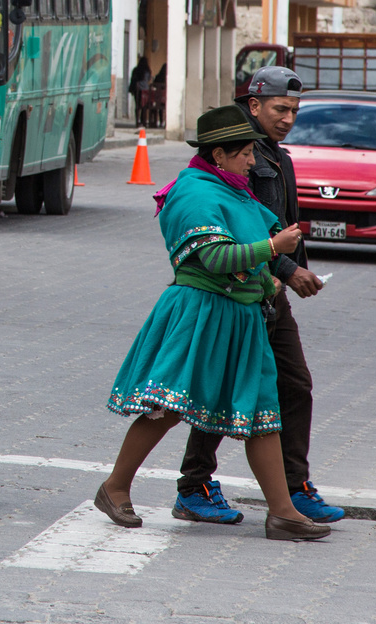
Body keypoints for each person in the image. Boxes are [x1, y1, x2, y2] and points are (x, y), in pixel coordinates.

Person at [99, 104, 331, 541]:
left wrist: (275, 281)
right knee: (167, 407)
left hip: (241, 319)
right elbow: (215, 257)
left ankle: (282, 512)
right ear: (218, 155)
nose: (252, 161)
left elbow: (252, 257)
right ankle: (114, 487)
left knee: (262, 414)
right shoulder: (196, 193)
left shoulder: (234, 190)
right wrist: (271, 247)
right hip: (201, 313)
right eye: (244, 153)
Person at [171, 67, 345, 525]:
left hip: (270, 296)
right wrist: (288, 271)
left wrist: (293, 271)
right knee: (221, 392)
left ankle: (289, 490)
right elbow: (241, 235)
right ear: (253, 106)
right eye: (279, 109)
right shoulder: (236, 163)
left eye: (293, 110)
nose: (288, 118)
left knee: (289, 386)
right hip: (244, 294)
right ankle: (198, 485)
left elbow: (281, 225)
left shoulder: (276, 158)